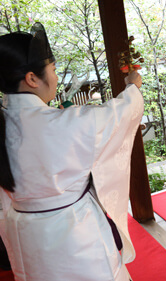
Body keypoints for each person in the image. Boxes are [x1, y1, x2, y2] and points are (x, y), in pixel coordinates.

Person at [0, 23, 143, 280]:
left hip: (24, 235)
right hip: (73, 235)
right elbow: (118, 114)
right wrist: (132, 88)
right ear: (32, 78)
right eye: (53, 70)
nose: (55, 77)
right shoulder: (64, 123)